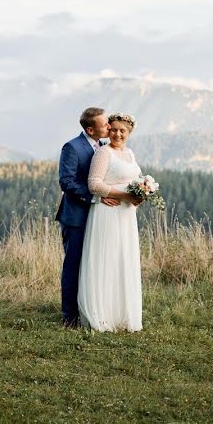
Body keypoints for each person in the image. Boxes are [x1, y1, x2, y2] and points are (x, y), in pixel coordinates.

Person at [77, 112, 144, 332]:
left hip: (126, 216)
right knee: (107, 260)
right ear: (108, 131)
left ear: (129, 133)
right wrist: (123, 196)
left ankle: (122, 315)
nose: (117, 134)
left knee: (123, 260)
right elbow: (94, 184)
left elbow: (137, 180)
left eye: (122, 131)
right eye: (113, 129)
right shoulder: (103, 153)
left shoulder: (130, 154)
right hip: (107, 213)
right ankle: (102, 314)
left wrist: (142, 193)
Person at [55, 107, 122, 327]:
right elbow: (67, 182)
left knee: (94, 265)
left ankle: (90, 311)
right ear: (91, 129)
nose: (109, 127)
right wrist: (96, 197)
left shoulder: (104, 147)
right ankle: (69, 317)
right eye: (105, 125)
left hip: (99, 218)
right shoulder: (72, 147)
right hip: (76, 217)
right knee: (73, 266)